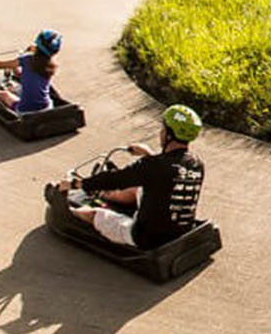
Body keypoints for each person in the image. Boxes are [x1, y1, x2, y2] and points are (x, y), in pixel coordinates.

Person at [52, 105, 206, 249]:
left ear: (169, 135)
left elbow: (116, 179)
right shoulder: (197, 163)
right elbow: (167, 173)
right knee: (137, 189)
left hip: (145, 237)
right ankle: (104, 195)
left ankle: (72, 211)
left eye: (163, 129)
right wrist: (148, 154)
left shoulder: (153, 167)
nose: (161, 133)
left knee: (93, 214)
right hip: (180, 229)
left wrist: (75, 184)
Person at [0, 30, 60, 115]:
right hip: (46, 107)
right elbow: (22, 74)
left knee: (5, 94)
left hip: (25, 110)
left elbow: (1, 65)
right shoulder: (51, 65)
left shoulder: (27, 59)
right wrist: (34, 51)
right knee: (22, 89)